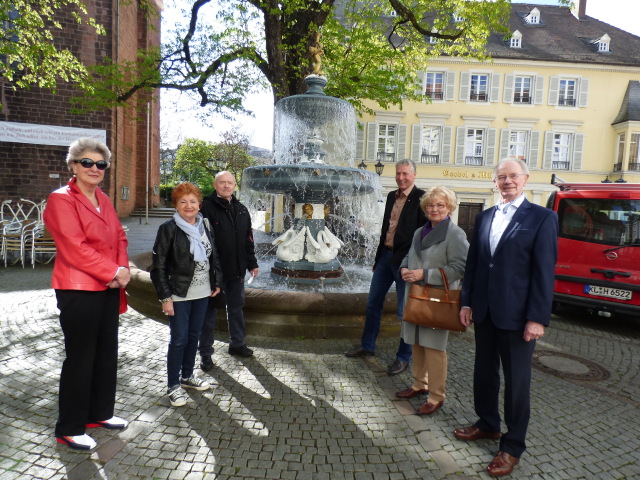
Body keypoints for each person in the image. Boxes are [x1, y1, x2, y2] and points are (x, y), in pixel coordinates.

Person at [454, 159, 558, 477]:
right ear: (495, 182)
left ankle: (512, 446)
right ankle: (487, 424)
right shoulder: (485, 217)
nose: (508, 181)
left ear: (525, 179)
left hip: (518, 317)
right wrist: (467, 302)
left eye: (514, 176)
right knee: (484, 374)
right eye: (502, 177)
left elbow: (544, 273)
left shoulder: (542, 218)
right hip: (484, 312)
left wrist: (537, 318)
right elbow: (475, 265)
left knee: (516, 384)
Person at [43, 137, 131, 451]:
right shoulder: (61, 199)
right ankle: (69, 427)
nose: (95, 168)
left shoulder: (104, 200)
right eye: (87, 162)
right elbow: (73, 247)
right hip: (78, 289)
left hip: (108, 288)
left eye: (101, 164)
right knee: (81, 358)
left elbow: (120, 235)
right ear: (74, 166)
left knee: (106, 354)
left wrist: (122, 270)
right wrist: (112, 272)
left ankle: (99, 414)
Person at [345, 159, 427, 376]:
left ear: (414, 175)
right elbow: (386, 228)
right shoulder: (392, 196)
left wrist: (411, 263)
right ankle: (367, 346)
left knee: (404, 312)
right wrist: (377, 258)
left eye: (405, 174)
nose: (401, 177)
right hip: (385, 258)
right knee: (373, 304)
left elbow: (422, 236)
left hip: (405, 262)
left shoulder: (422, 198)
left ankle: (403, 357)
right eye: (399, 173)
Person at [396, 186, 468, 415]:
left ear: (449, 208)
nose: (434, 209)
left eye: (440, 205)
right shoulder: (420, 232)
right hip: (415, 295)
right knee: (416, 342)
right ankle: (419, 384)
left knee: (435, 348)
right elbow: (409, 256)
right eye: (430, 205)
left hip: (436, 299)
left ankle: (436, 396)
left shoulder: (455, 234)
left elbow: (460, 268)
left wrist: (424, 275)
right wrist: (404, 269)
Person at [151, 182, 223, 407]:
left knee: (194, 336)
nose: (189, 206)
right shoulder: (169, 228)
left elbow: (214, 256)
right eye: (183, 202)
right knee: (179, 338)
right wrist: (166, 297)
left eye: (193, 201)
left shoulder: (205, 226)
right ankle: (173, 385)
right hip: (179, 293)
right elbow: (158, 266)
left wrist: (217, 281)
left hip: (202, 292)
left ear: (199, 204)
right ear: (176, 205)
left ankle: (187, 375)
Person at [198, 171, 259, 369]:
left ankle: (237, 344)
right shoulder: (205, 207)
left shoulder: (241, 210)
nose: (226, 186)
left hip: (237, 270)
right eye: (222, 183)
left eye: (230, 183)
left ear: (235, 186)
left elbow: (247, 240)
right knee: (208, 313)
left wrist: (252, 263)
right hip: (213, 272)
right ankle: (206, 353)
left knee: (236, 308)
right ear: (215, 185)